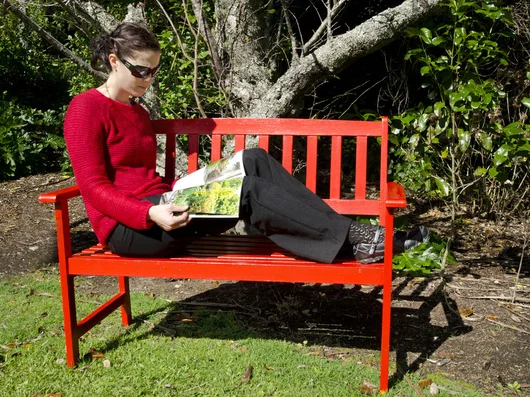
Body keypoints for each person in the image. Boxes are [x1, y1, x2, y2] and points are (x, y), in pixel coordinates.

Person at [64, 22, 429, 265]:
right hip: (132, 229)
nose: (149, 78)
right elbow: (93, 189)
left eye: (154, 71)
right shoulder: (85, 108)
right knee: (248, 191)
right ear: (114, 61)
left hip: (166, 205)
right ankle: (361, 239)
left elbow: (146, 179)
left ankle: (354, 235)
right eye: (141, 70)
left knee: (252, 159)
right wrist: (148, 213)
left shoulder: (137, 111)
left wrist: (166, 200)